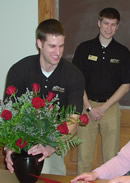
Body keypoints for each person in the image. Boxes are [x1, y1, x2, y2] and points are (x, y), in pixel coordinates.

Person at [4, 19, 85, 175]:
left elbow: (73, 119)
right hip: (23, 135)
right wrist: (10, 146)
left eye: (61, 46)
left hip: (55, 137)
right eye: (52, 46)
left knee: (52, 173)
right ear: (39, 44)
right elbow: (9, 115)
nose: (58, 52)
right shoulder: (19, 70)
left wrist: (51, 146)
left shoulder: (73, 75)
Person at [72, 7, 130, 174]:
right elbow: (77, 82)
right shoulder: (84, 49)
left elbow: (126, 85)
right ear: (99, 23)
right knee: (84, 157)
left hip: (111, 108)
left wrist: (103, 108)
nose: (109, 28)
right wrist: (90, 108)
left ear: (118, 27)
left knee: (111, 158)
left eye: (113, 25)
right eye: (106, 23)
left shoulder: (122, 52)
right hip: (87, 107)